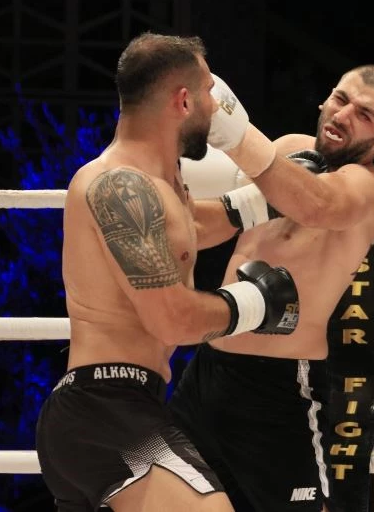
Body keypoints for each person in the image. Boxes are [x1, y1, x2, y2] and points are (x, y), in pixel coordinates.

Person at [35, 32, 301, 512]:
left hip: (112, 408)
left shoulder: (160, 185)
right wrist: (256, 304)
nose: (216, 107)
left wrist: (268, 199)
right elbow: (172, 320)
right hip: (106, 411)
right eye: (208, 93)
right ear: (183, 101)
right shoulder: (119, 185)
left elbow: (188, 229)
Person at [169, 65, 374, 511]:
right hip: (206, 372)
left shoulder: (364, 188)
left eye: (364, 115)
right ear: (325, 99)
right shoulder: (285, 152)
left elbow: (316, 204)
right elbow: (209, 225)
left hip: (277, 388)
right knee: (160, 496)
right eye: (340, 99)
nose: (343, 115)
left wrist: (236, 133)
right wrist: (160, 196)